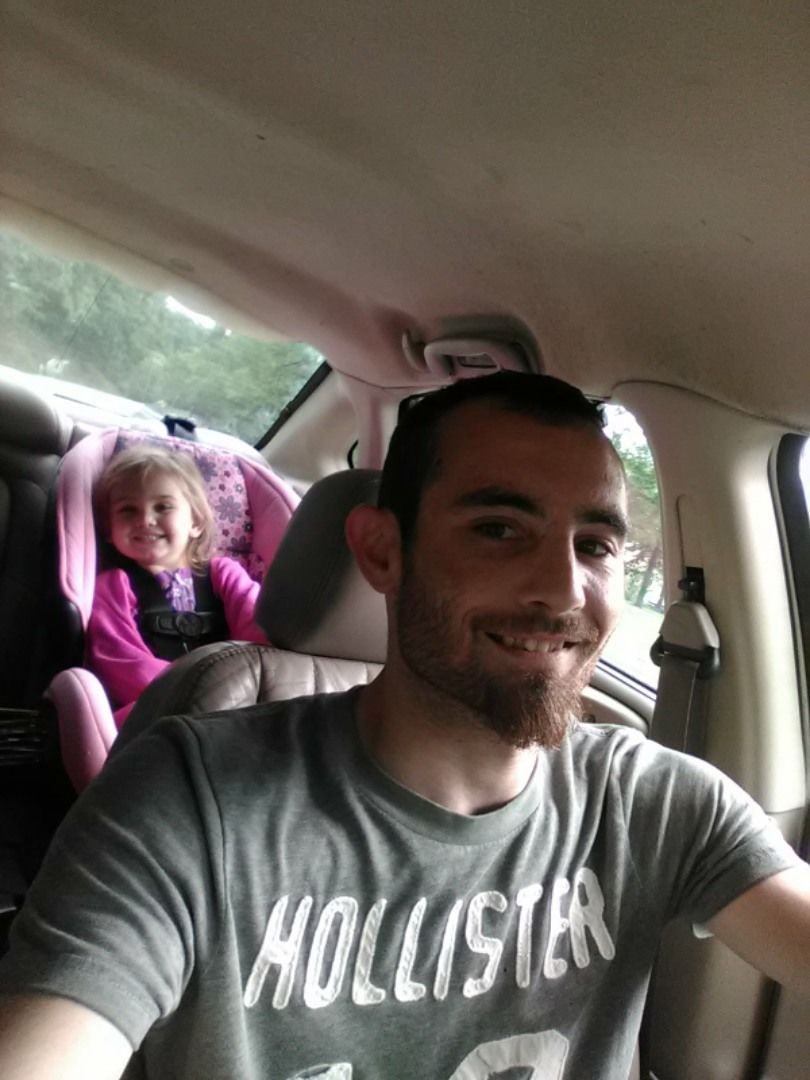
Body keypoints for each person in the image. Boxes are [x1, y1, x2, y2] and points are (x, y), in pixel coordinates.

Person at [0, 372, 808, 1080]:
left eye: (594, 544)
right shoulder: (187, 802)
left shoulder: (659, 803)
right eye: (500, 529)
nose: (564, 591)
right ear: (382, 552)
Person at [87, 445, 268, 725]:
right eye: (128, 510)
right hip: (152, 711)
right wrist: (190, 694)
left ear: (195, 522)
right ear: (109, 530)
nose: (145, 520)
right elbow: (118, 660)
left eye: (163, 507)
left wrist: (236, 690)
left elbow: (260, 634)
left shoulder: (225, 575)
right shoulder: (112, 586)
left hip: (233, 703)